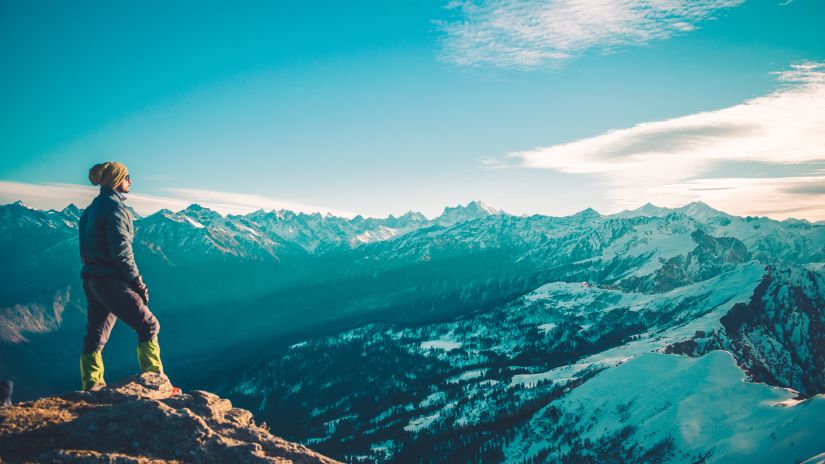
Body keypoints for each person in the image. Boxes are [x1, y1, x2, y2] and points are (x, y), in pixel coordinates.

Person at [78, 162, 173, 392]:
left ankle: (92, 384)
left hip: (92, 278)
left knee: (96, 334)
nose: (130, 180)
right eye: (127, 176)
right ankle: (154, 381)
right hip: (111, 280)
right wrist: (137, 282)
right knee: (149, 325)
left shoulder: (90, 211)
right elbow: (122, 252)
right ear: (116, 179)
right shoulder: (116, 210)